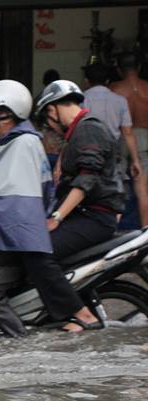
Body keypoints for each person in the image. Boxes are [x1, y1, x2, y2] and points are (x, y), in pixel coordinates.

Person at [0, 80, 99, 336]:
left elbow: (17, 206)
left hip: (15, 236)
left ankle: (21, 342)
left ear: (6, 113)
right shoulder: (5, 143)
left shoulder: (23, 144)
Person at [37, 79, 125, 331]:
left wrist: (56, 217)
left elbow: (87, 178)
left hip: (95, 217)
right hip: (89, 215)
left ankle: (79, 314)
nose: (50, 125)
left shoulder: (88, 129)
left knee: (41, 252)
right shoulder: (77, 132)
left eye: (48, 117)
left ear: (53, 109)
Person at [82, 63, 143, 193]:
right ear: (108, 81)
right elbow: (127, 133)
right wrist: (136, 160)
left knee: (87, 192)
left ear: (86, 81)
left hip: (87, 154)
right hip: (112, 155)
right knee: (114, 193)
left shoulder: (82, 100)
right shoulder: (120, 101)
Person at [110, 53, 148, 228]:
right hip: (144, 138)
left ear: (119, 69)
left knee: (116, 187)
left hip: (121, 137)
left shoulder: (114, 88)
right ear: (139, 67)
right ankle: (145, 231)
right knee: (143, 189)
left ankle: (112, 230)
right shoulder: (147, 87)